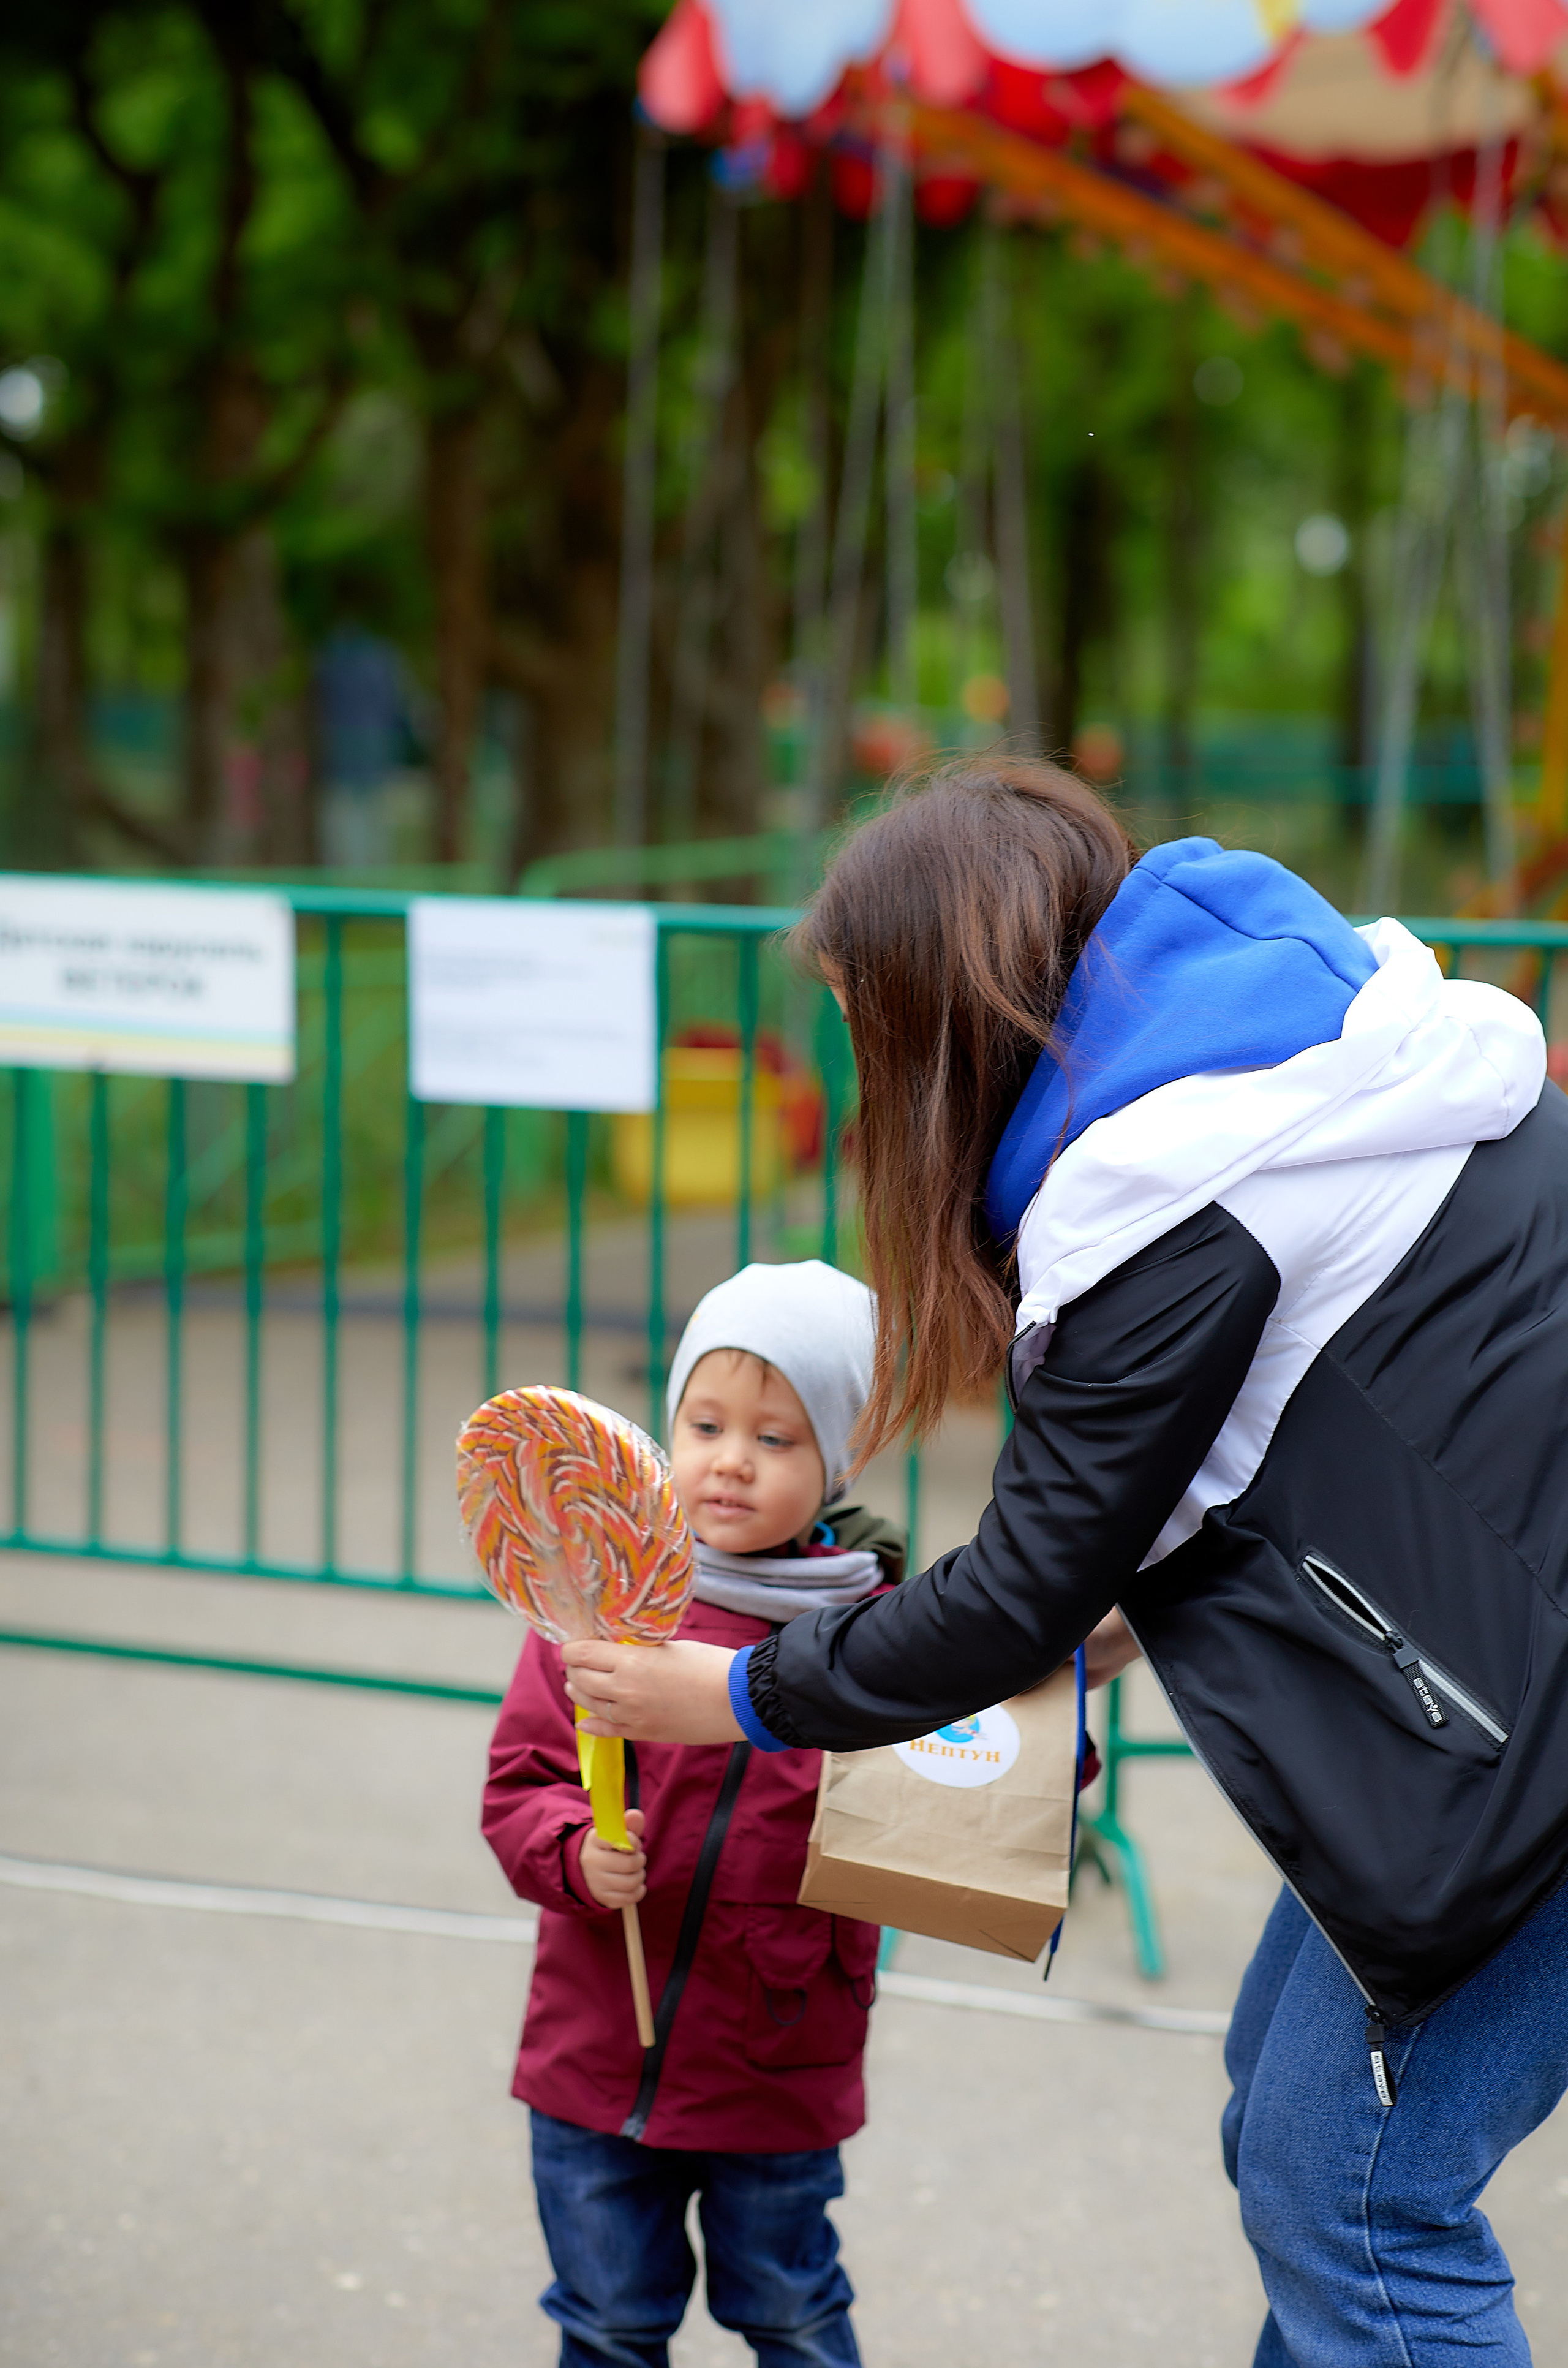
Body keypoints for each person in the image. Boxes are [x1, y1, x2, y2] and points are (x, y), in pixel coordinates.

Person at [564, 760, 1568, 2367]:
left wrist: (737, 1692)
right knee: (1285, 2122)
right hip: (1500, 1685)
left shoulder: (1164, 1192)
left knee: (1356, 2195)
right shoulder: (1295, 1053)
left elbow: (1017, 1591)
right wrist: (1121, 1599)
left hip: (1523, 1740)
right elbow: (1381, 1418)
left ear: (941, 1016)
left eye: (868, 1029)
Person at [483, 1260, 905, 2368]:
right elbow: (523, 1779)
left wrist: (1051, 1724)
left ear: (840, 1457)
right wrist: (573, 1852)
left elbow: (968, 1766)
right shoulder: (596, 1598)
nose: (730, 1460)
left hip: (778, 2057)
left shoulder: (882, 1632)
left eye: (777, 1437)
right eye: (705, 1424)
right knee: (607, 2323)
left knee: (794, 2312)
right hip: (594, 2054)